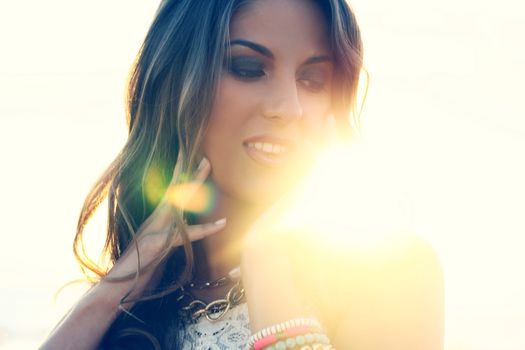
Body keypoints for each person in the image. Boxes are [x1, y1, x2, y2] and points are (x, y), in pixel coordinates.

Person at [40, 0, 444, 349]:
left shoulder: (389, 270)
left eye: (312, 79)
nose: (289, 108)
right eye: (249, 68)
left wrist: (269, 263)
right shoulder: (144, 302)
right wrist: (117, 287)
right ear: (177, 84)